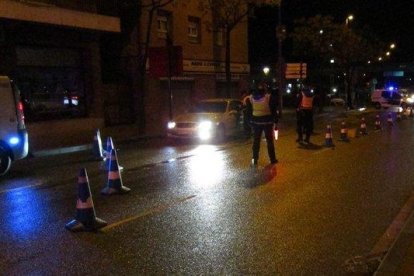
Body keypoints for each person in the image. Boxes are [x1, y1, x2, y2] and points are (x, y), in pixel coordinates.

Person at [245, 83, 278, 166]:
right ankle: (272, 159)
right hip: (268, 122)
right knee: (269, 141)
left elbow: (248, 111)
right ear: (264, 90)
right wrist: (276, 120)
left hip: (256, 122)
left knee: (256, 141)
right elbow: (274, 110)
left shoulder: (250, 98)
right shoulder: (269, 97)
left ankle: (254, 159)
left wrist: (250, 122)